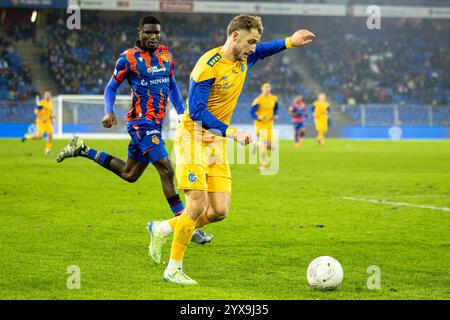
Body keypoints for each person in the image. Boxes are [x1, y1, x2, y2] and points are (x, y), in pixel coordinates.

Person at [147, 14, 315, 284]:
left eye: (255, 43)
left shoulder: (245, 56)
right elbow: (197, 111)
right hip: (192, 138)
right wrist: (231, 131)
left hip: (216, 142)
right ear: (235, 36)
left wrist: (289, 42)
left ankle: (162, 228)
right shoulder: (207, 66)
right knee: (196, 204)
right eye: (250, 41)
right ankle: (173, 269)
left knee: (218, 212)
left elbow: (265, 49)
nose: (253, 47)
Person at [55, 16, 212, 245]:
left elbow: (172, 84)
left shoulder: (166, 55)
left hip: (155, 124)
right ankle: (185, 225)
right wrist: (108, 111)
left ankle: (82, 149)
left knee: (130, 174)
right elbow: (111, 87)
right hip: (140, 123)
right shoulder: (127, 59)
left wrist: (181, 112)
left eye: (157, 33)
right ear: (139, 32)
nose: (153, 37)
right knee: (167, 170)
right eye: (148, 32)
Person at [251, 81, 279, 169]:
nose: (267, 89)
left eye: (268, 87)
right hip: (260, 124)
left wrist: (275, 114)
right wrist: (258, 117)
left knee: (272, 147)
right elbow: (251, 112)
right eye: (265, 87)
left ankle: (256, 144)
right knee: (264, 144)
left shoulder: (274, 98)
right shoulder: (258, 100)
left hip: (269, 124)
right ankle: (263, 164)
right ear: (262, 88)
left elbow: (276, 108)